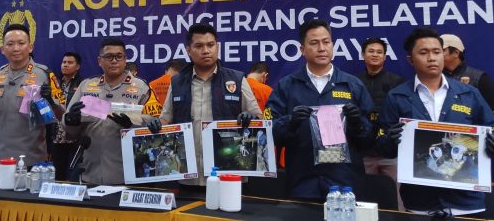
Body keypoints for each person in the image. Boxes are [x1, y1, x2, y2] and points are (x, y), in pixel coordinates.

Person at [376, 27, 494, 217]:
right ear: (410, 60)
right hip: (420, 201)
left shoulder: (469, 93)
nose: (431, 58)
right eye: (423, 52)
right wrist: (389, 140)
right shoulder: (397, 96)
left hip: (466, 201)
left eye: (437, 52)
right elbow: (383, 145)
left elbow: (493, 129)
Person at [265, 19, 374, 201]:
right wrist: (290, 122)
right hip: (302, 183)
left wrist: (358, 124)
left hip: (344, 184)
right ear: (302, 49)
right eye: (314, 43)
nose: (322, 48)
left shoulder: (353, 85)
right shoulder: (286, 86)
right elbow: (268, 132)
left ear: (333, 45)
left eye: (326, 42)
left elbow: (370, 138)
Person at [159, 23, 262, 187]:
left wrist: (252, 118)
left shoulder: (236, 79)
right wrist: (154, 125)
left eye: (210, 45)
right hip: (188, 175)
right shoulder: (177, 83)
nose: (206, 50)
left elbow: (259, 119)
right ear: (188, 50)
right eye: (199, 46)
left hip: (227, 175)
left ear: (217, 47)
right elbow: (165, 120)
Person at [63, 38, 152, 184]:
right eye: (109, 56)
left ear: (125, 59)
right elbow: (68, 129)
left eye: (119, 56)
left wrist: (133, 125)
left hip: (128, 174)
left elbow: (155, 123)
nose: (114, 61)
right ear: (99, 60)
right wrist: (70, 120)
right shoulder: (86, 86)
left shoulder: (142, 87)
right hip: (90, 172)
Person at [0, 24, 62, 169]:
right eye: (10, 44)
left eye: (21, 43)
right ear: (2, 49)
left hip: (34, 160)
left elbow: (62, 116)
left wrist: (51, 102)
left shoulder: (44, 74)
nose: (16, 48)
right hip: (2, 159)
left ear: (30, 47)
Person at [354, 37, 404, 209]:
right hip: (364, 153)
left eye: (379, 52)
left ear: (384, 57)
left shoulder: (397, 82)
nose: (375, 55)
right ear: (363, 54)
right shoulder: (354, 82)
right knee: (364, 199)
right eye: (371, 51)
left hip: (391, 154)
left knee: (397, 199)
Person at [440, 33, 494, 122]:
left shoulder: (480, 78)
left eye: (441, 50)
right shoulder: (434, 78)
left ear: (456, 53)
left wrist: (476, 130)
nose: (436, 55)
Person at [52, 51, 84, 180]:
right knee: (57, 173)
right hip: (57, 135)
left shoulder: (83, 84)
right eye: (64, 62)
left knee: (74, 174)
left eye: (70, 62)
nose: (65, 65)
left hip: (74, 135)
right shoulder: (56, 83)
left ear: (78, 66)